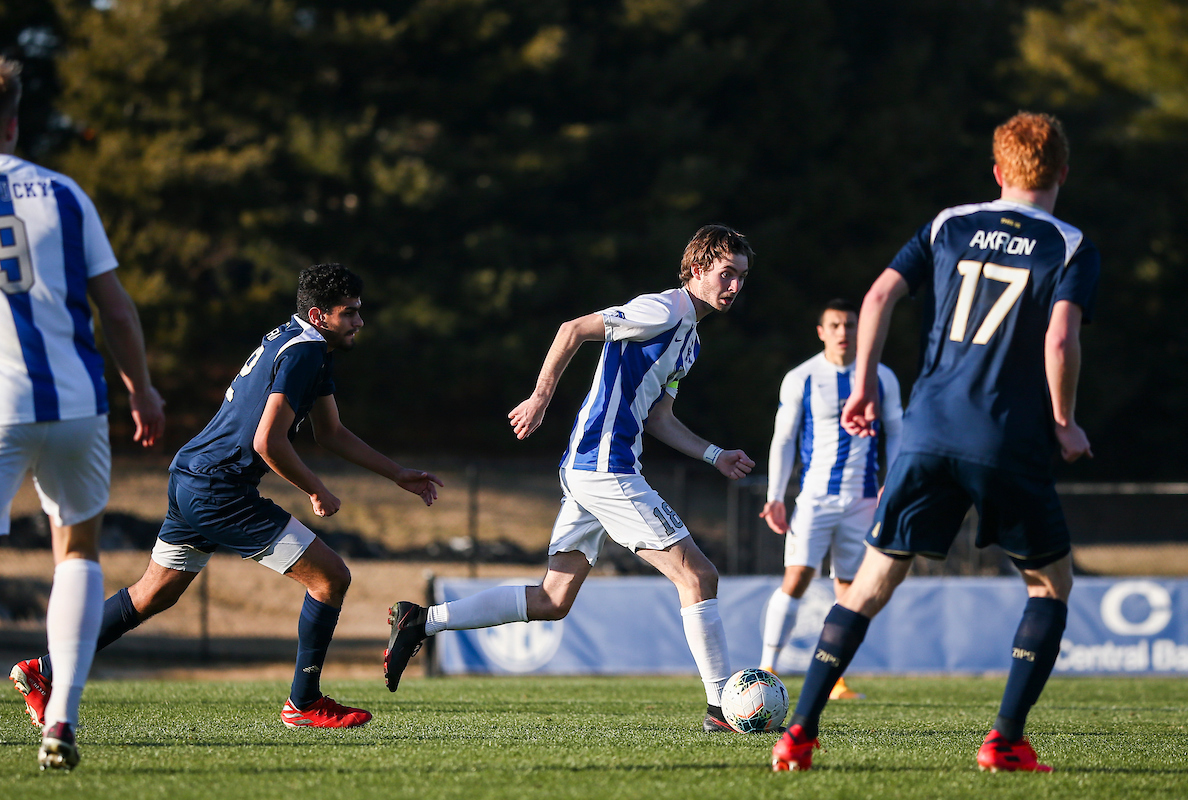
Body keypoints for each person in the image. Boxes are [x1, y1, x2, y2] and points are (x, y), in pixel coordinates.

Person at [771, 112, 1098, 773]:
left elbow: (878, 296)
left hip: (927, 431)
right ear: (1063, 172)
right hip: (1005, 437)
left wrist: (863, 385)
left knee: (867, 586)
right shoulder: (1070, 245)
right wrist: (1064, 420)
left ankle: (798, 734)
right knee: (1049, 585)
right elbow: (1061, 338)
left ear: (998, 171)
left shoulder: (949, 224)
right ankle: (1004, 741)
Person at [11, 263, 443, 732]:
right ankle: (303, 703)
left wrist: (397, 474)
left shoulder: (300, 343)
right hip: (220, 490)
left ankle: (43, 670)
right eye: (350, 313)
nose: (360, 321)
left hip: (191, 477)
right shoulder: (305, 353)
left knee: (151, 594)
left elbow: (331, 432)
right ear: (320, 316)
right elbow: (267, 442)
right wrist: (315, 489)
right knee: (330, 577)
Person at [383, 224, 757, 731]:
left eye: (741, 277)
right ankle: (722, 709)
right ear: (696, 270)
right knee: (699, 576)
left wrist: (714, 455)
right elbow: (572, 329)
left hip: (594, 469)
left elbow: (658, 418)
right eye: (726, 273)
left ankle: (420, 621)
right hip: (605, 468)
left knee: (552, 600)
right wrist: (540, 397)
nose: (734, 286)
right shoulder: (663, 309)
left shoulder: (689, 340)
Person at [0, 57, 166, 771]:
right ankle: (61, 716)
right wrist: (143, 390)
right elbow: (117, 310)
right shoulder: (65, 194)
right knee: (76, 553)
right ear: (13, 122)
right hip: (75, 404)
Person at [757, 298, 902, 701]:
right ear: (821, 332)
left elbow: (898, 432)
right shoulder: (802, 377)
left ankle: (836, 679)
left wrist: (894, 484)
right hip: (815, 499)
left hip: (863, 502)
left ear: (861, 330)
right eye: (835, 325)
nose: (843, 332)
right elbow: (783, 438)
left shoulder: (882, 377)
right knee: (797, 577)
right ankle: (766, 669)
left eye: (850, 325)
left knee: (851, 591)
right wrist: (775, 496)